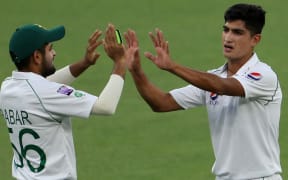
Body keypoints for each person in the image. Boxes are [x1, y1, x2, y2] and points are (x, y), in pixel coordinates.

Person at [124, 3, 282, 180]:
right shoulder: (211, 79)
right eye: (226, 30)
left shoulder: (263, 75)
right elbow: (161, 103)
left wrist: (172, 66)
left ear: (255, 39)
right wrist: (136, 71)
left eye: (237, 32)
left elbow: (223, 87)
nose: (228, 38)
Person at [0, 23, 127, 179]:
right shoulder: (45, 93)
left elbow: (45, 85)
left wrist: (84, 63)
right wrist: (120, 62)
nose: (54, 53)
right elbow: (106, 106)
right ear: (37, 57)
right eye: (50, 49)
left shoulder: (7, 88)